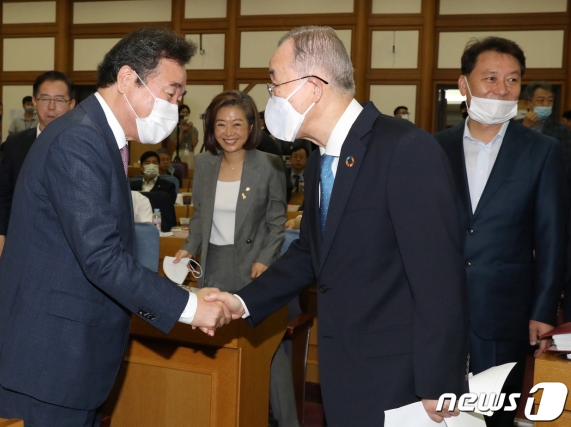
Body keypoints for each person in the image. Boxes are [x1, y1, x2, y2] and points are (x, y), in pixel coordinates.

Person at [205, 26, 468, 427]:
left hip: (401, 377)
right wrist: (241, 302)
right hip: (343, 366)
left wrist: (440, 381)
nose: (270, 98)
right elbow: (312, 253)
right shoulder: (319, 160)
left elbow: (438, 277)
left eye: (274, 84)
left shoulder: (404, 148)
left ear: (312, 87)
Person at [0, 27, 232, 426]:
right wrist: (191, 307)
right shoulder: (80, 139)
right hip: (48, 363)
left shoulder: (98, 136)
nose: (176, 107)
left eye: (181, 98)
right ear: (128, 79)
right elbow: (102, 258)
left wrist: (187, 295)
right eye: (171, 93)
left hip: (68, 359)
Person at [434, 37, 569, 427]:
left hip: (504, 309)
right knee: (436, 412)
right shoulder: (432, 148)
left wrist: (544, 310)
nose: (501, 89)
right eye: (490, 78)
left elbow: (552, 236)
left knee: (493, 415)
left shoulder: (540, 151)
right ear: (464, 85)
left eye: (512, 80)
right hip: (436, 309)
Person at [173, 90, 294, 427]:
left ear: (251, 126)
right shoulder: (206, 164)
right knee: (216, 349)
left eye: (237, 124)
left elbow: (276, 223)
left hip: (256, 269)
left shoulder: (269, 164)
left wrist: (266, 260)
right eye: (221, 124)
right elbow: (199, 218)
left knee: (267, 352)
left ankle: (288, 422)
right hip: (213, 268)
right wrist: (187, 247)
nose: (229, 132)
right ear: (212, 129)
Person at [0, 71, 76, 261]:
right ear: (34, 101)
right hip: (22, 240)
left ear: (72, 105)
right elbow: (3, 193)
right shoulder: (15, 144)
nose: (52, 107)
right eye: (45, 99)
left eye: (60, 100)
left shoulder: (86, 145)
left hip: (69, 246)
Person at [171, 104, 198, 169]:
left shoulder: (193, 129)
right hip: (179, 154)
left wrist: (191, 131)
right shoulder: (175, 128)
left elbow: (194, 144)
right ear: (179, 114)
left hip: (190, 154)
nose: (185, 114)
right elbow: (176, 144)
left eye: (187, 112)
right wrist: (183, 132)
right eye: (183, 112)